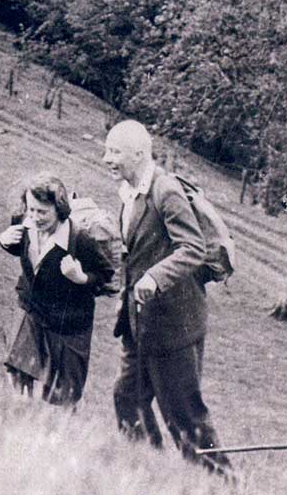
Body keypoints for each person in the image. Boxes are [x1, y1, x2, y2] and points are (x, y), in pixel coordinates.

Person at [104, 119, 230, 474]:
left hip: (173, 326)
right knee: (127, 399)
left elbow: (193, 248)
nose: (106, 158)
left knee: (185, 416)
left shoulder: (165, 191)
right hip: (138, 324)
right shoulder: (130, 192)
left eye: (115, 152)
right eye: (107, 150)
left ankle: (222, 483)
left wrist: (154, 278)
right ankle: (150, 472)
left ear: (140, 153)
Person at [0, 173, 118, 405]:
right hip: (31, 310)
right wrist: (4, 241)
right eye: (31, 209)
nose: (35, 217)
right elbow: (30, 257)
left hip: (68, 323)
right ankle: (17, 424)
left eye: (42, 212)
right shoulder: (23, 222)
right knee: (18, 375)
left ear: (60, 209)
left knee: (60, 397)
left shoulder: (80, 240)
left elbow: (105, 275)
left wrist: (81, 277)